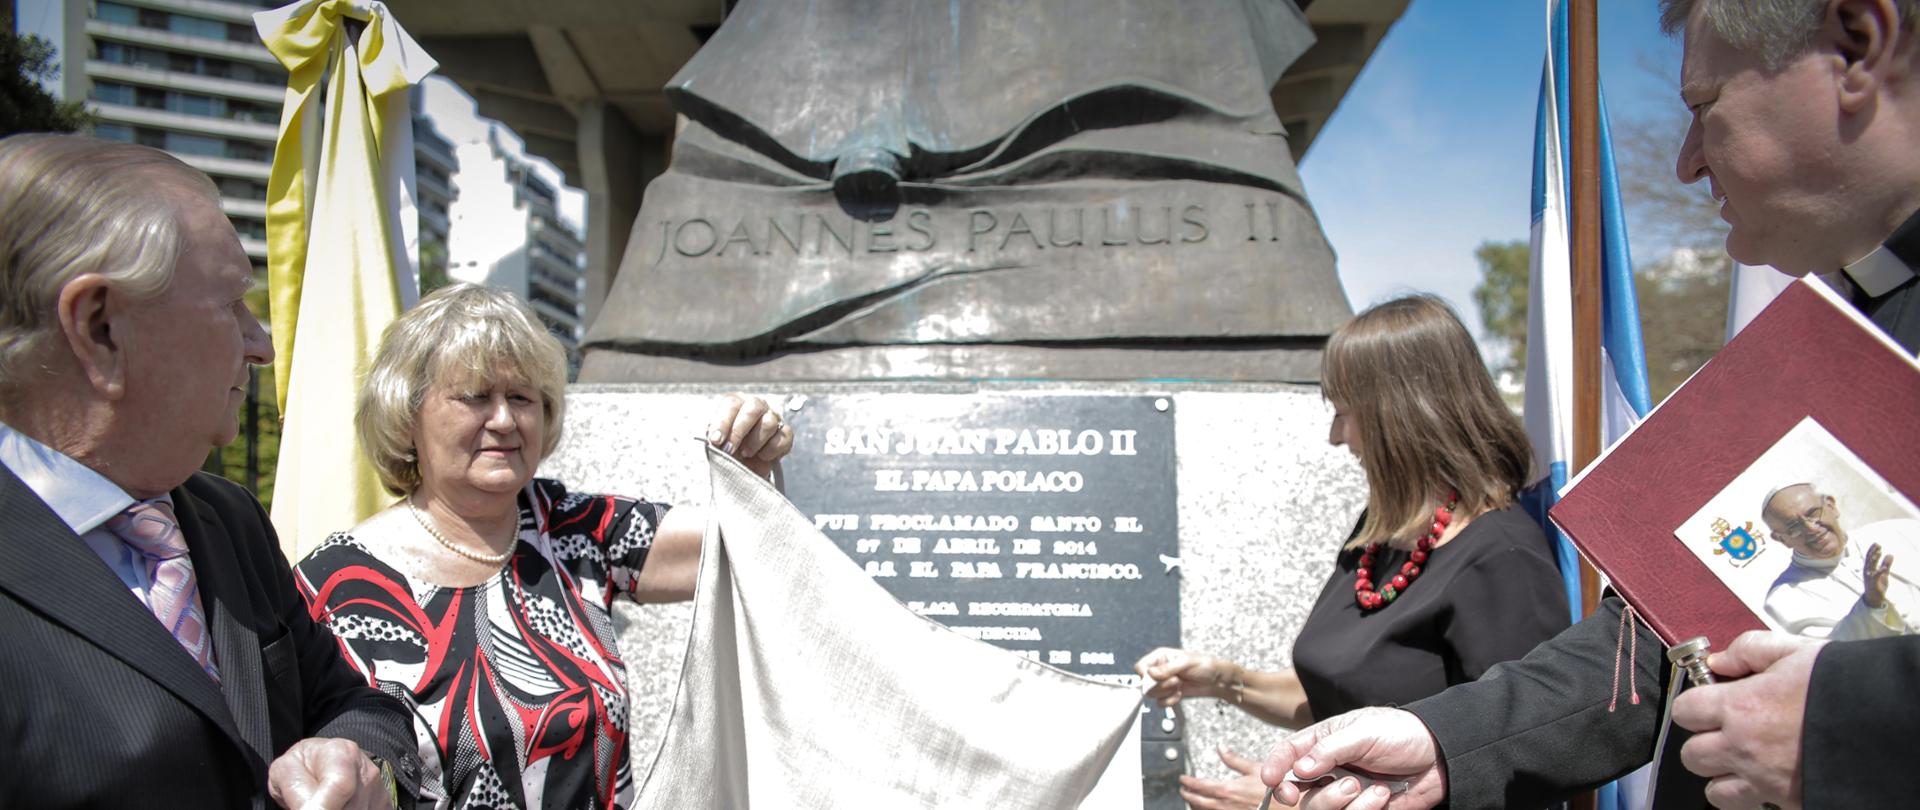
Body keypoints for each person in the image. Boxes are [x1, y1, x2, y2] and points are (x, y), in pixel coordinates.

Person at [1256, 2, 1920, 808]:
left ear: (1859, 44)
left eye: (1706, 105)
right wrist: (1444, 745)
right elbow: (1658, 645)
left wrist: (1848, 723)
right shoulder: (1857, 321)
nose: (1686, 162)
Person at [0, 133, 419, 807]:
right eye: (231, 304)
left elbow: (352, 703)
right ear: (100, 327)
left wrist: (354, 758)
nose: (262, 344)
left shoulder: (228, 517)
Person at [292, 283, 794, 810]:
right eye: (475, 396)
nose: (504, 420)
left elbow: (750, 551)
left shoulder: (574, 532)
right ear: (407, 414)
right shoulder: (332, 585)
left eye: (521, 397)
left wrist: (752, 471)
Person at [1133, 295, 1569, 810]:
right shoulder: (1379, 536)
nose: (1336, 437)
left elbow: (1521, 766)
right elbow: (1338, 700)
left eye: (1344, 413)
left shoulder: (1503, 560)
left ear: (1404, 416)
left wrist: (1292, 803)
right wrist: (1224, 680)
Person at [1760, 483, 1920, 639]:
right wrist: (1872, 603)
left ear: (1831, 505)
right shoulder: (1785, 598)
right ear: (1782, 539)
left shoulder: (1897, 531)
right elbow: (1833, 650)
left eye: (1813, 513)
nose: (1811, 529)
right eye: (1794, 527)